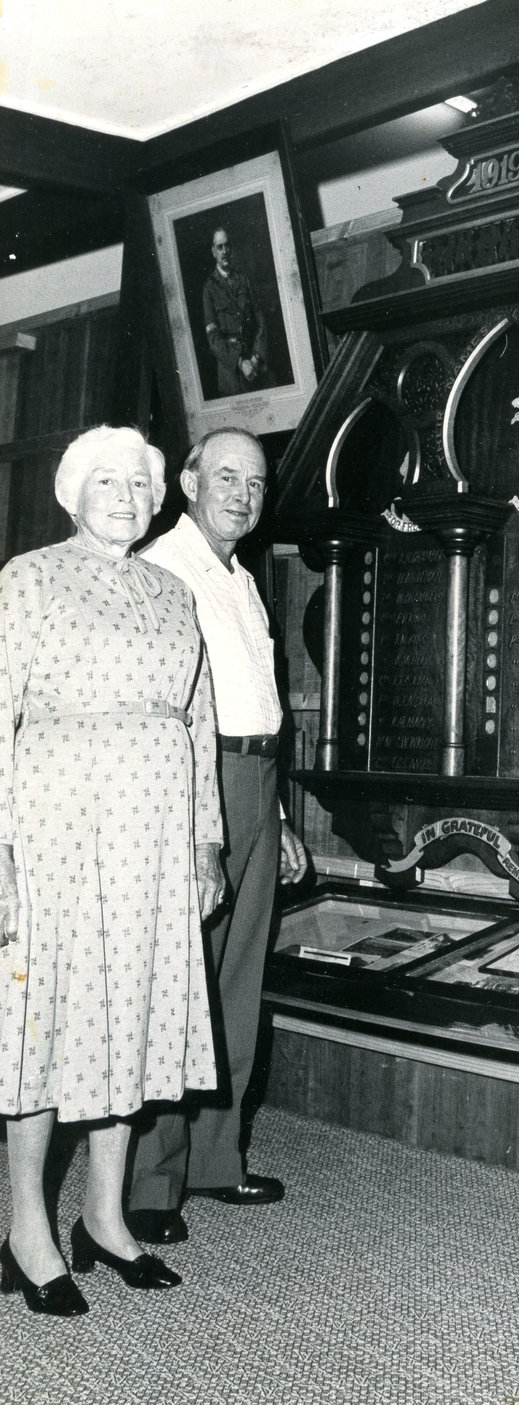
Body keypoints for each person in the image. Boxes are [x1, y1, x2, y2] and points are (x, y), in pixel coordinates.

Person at [0, 426, 225, 1315]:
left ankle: (103, 1214)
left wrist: (207, 839)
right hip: (55, 830)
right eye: (107, 480)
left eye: (140, 481)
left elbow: (200, 723)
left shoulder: (174, 592)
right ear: (69, 492)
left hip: (154, 842)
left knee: (126, 1012)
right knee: (45, 1018)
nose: (126, 495)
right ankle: (25, 1225)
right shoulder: (26, 578)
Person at [127, 427, 308, 1246]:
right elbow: (172, 713)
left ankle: (213, 1155)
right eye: (226, 476)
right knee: (179, 985)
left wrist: (272, 814)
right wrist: (200, 812)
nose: (243, 493)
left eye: (256, 481)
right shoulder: (165, 567)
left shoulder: (240, 579)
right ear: (190, 480)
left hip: (254, 781)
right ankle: (148, 1183)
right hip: (194, 783)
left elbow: (253, 705)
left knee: (237, 981)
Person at [202, 227, 267, 398]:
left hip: (255, 366)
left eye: (227, 246)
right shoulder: (209, 288)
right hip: (230, 374)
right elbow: (213, 338)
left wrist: (255, 358)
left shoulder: (243, 279)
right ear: (213, 252)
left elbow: (260, 321)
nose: (224, 251)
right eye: (220, 247)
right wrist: (240, 362)